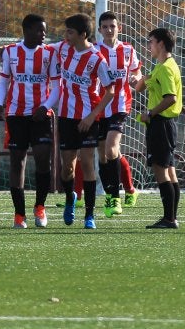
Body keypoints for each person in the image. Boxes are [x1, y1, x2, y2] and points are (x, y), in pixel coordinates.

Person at [0, 14, 60, 229]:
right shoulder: (10, 52)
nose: (43, 34)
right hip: (16, 114)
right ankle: (19, 214)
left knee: (43, 158)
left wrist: (46, 106)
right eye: (40, 30)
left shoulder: (49, 53)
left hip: (41, 114)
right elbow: (3, 81)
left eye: (45, 30)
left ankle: (40, 206)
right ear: (27, 30)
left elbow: (57, 86)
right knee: (17, 161)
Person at [57, 13, 115, 229]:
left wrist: (92, 116)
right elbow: (42, 47)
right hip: (66, 117)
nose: (66, 36)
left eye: (70, 32)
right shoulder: (64, 48)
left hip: (88, 120)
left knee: (88, 164)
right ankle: (70, 198)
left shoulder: (97, 59)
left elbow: (110, 91)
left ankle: (89, 214)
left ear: (83, 34)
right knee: (67, 168)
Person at [95, 11, 142, 217]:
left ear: (118, 28)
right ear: (99, 30)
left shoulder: (128, 50)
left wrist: (135, 79)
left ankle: (114, 198)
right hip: (98, 107)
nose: (109, 30)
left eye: (112, 26)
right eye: (105, 27)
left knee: (111, 148)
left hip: (120, 106)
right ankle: (121, 191)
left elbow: (137, 72)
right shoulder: (95, 51)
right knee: (103, 155)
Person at [134, 28, 182, 229]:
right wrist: (139, 80)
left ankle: (169, 219)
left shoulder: (165, 68)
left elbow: (170, 98)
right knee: (170, 172)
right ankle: (171, 217)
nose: (149, 46)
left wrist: (150, 113)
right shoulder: (161, 66)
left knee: (162, 172)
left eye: (151, 42)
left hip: (160, 124)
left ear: (161, 43)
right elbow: (143, 85)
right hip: (165, 125)